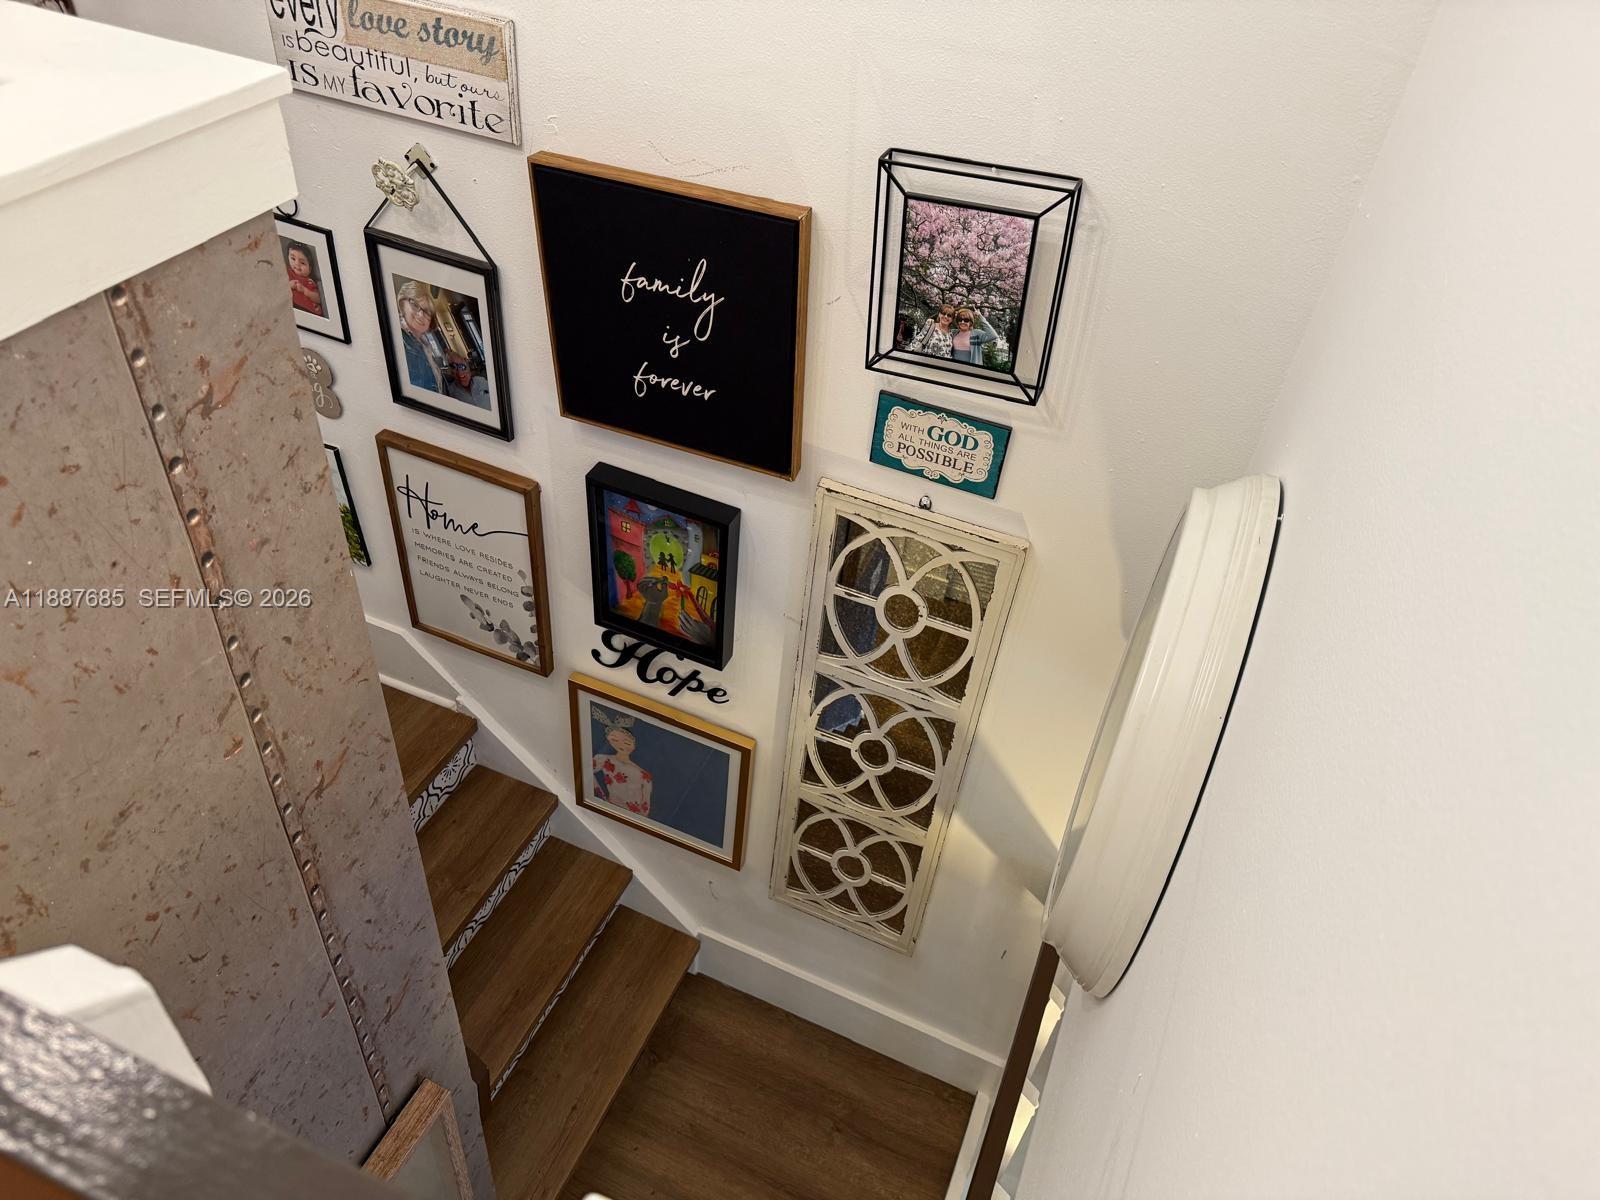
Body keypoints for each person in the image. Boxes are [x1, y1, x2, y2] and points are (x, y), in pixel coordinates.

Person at [592, 710, 652, 816]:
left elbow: (645, 805)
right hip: (611, 810)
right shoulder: (606, 760)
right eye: (614, 740)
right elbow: (585, 768)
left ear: (634, 745)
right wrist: (601, 796)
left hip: (633, 817)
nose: (621, 745)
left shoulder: (643, 775)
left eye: (627, 743)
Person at [395, 279, 443, 393]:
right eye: (415, 305)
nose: (421, 315)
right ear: (402, 306)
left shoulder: (425, 345)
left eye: (426, 311)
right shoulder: (399, 340)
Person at [284, 243, 323, 318]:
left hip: (308, 312)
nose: (297, 264)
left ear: (310, 269)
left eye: (302, 263)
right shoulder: (286, 272)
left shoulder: (309, 281)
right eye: (293, 259)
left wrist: (305, 291)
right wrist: (289, 285)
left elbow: (319, 299)